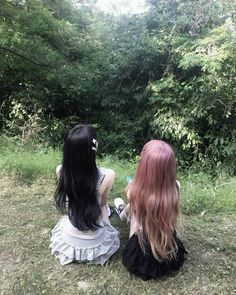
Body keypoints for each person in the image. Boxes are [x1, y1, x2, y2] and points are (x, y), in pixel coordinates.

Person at [114, 140, 187, 280]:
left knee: (135, 211)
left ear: (144, 165)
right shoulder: (176, 187)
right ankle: (123, 212)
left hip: (141, 254)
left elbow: (136, 219)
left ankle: (122, 212)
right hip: (168, 249)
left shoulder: (132, 190)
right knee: (137, 208)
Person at [49, 124, 119, 265]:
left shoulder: (60, 171)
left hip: (70, 239)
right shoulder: (108, 175)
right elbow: (103, 204)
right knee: (105, 208)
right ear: (93, 149)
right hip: (96, 241)